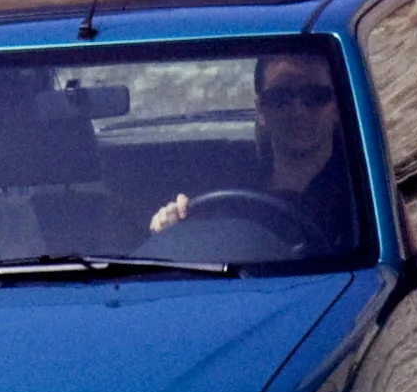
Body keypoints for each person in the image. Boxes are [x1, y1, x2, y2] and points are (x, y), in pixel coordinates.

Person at [147, 53, 354, 249]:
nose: (298, 110)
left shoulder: (363, 194)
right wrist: (172, 229)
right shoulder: (225, 183)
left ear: (337, 107)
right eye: (279, 97)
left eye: (315, 96)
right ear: (261, 111)